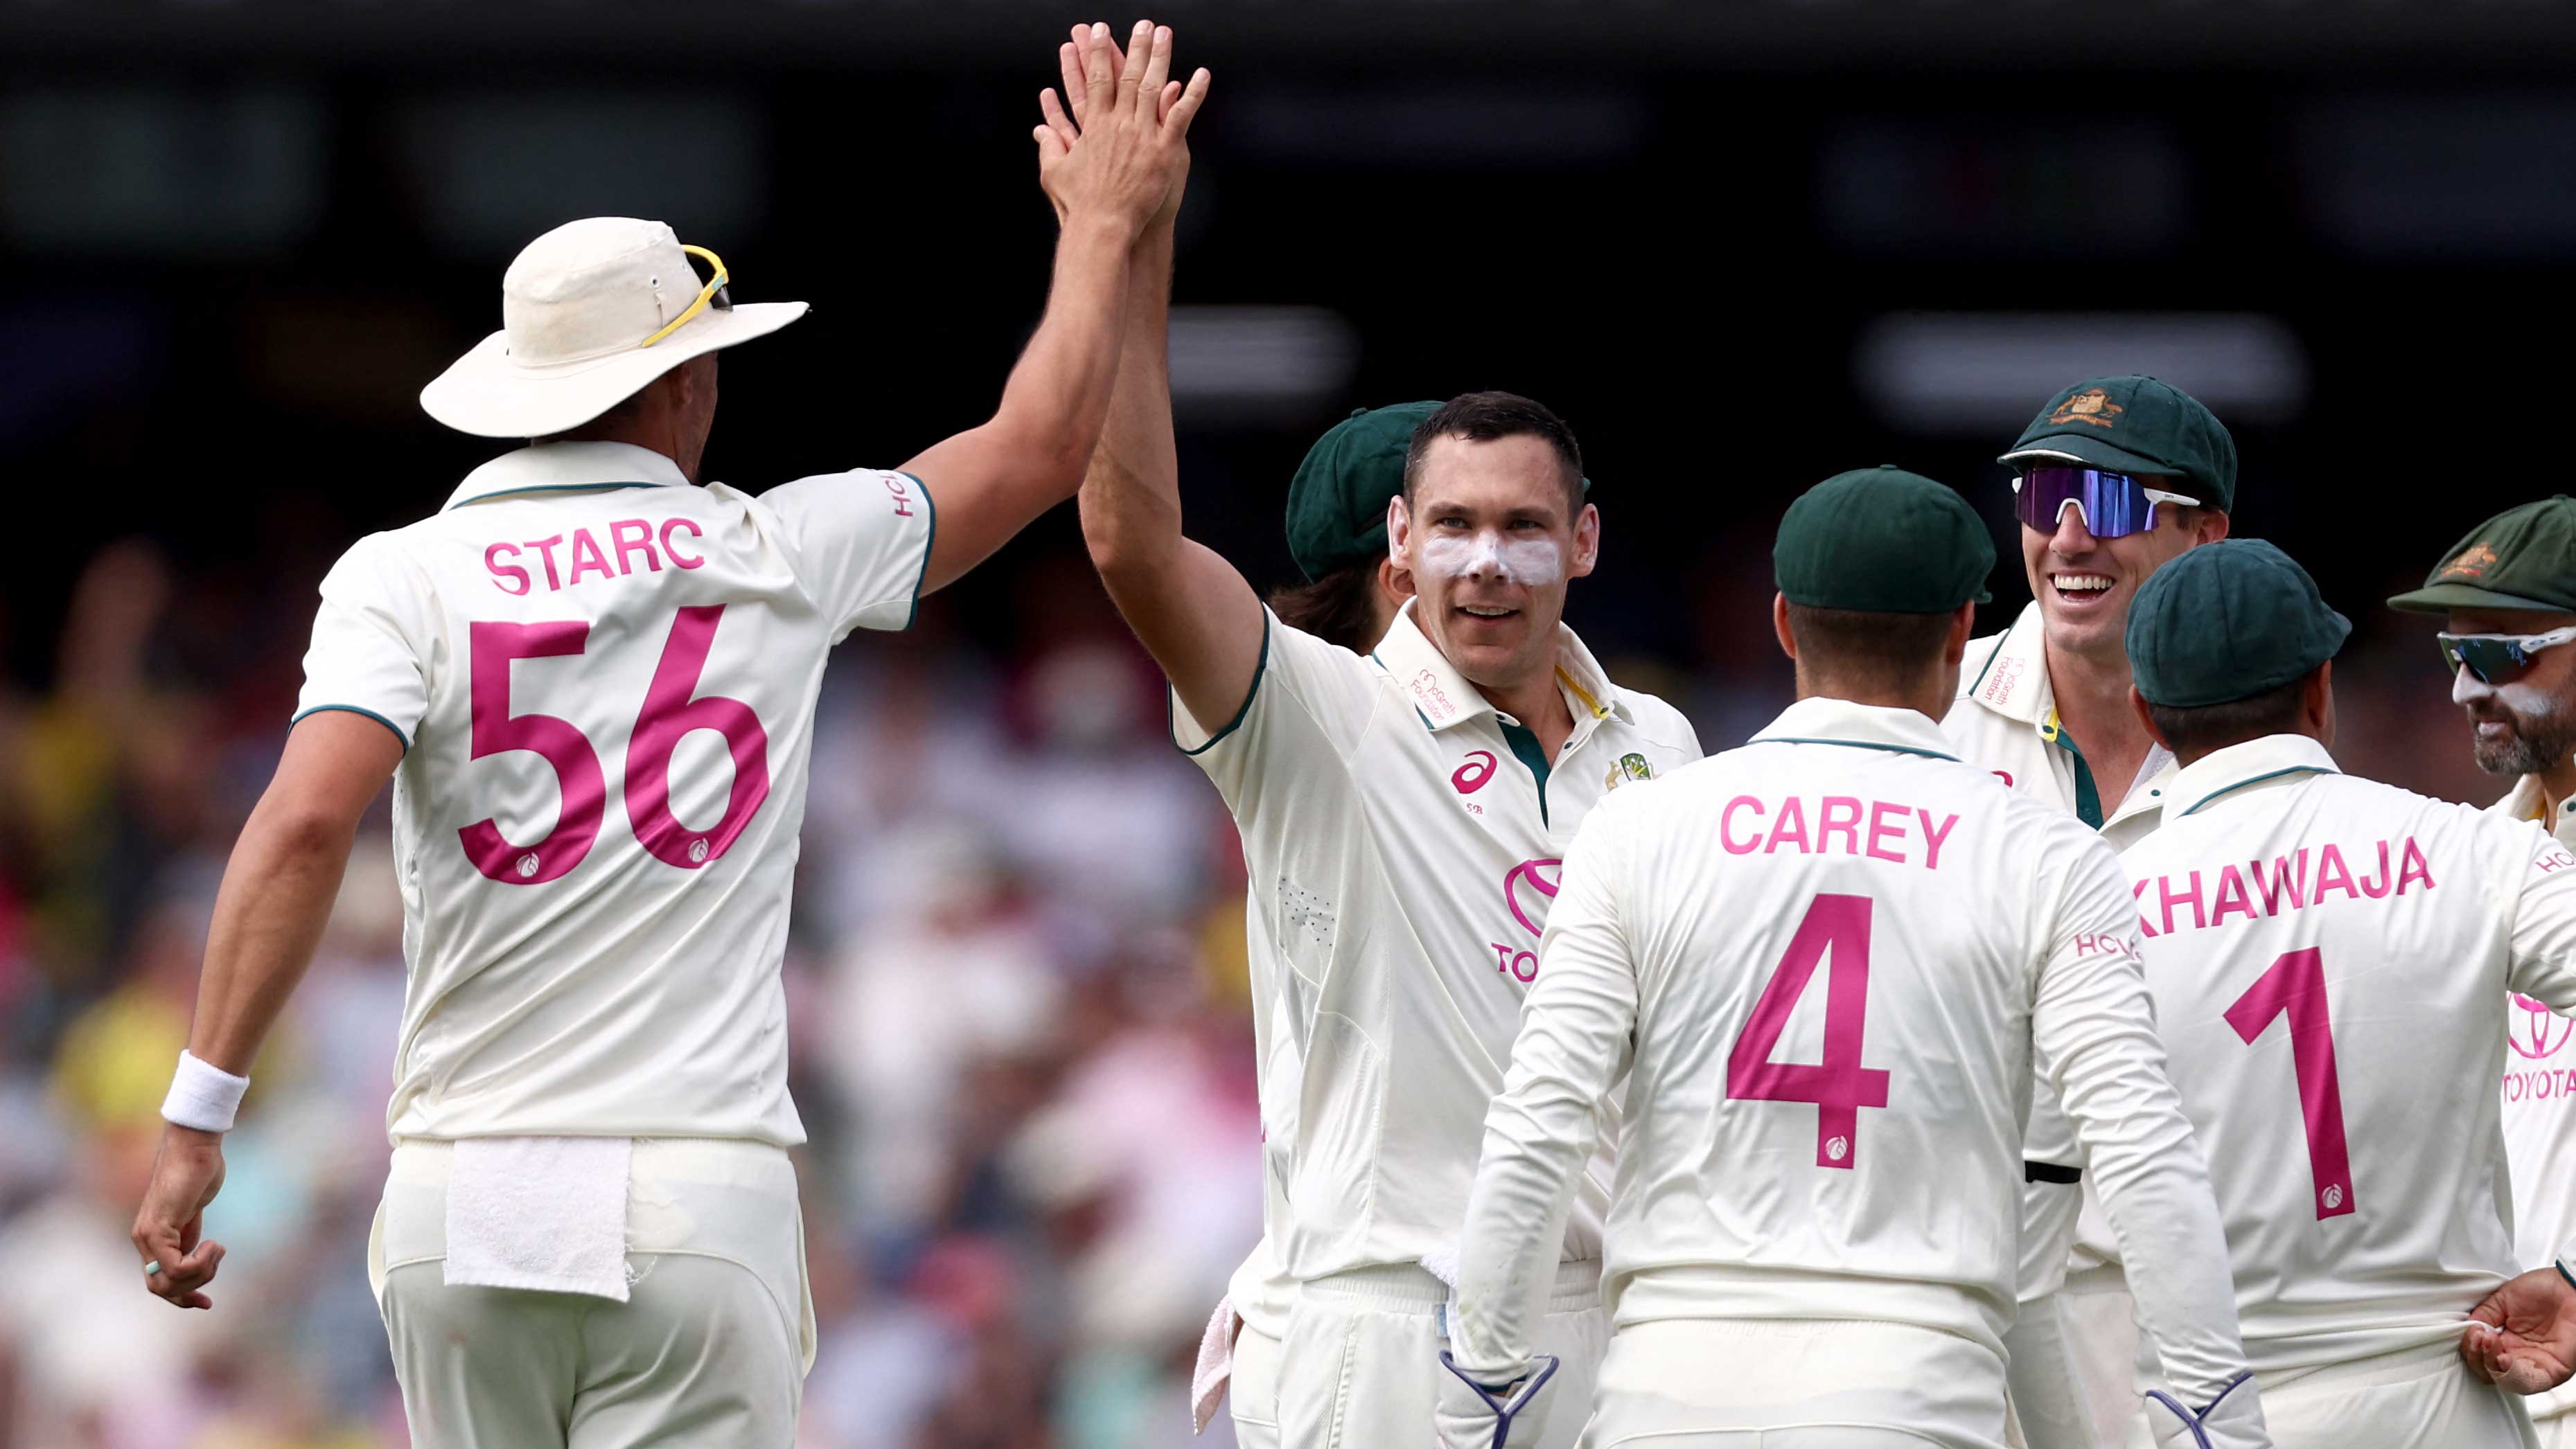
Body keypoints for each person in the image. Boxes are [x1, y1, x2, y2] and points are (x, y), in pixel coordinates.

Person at [127, 25, 1208, 1446]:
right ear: (682, 384)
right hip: (696, 1189)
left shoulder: (401, 573)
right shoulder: (777, 549)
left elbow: (305, 823)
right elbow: (1040, 440)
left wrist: (199, 1115)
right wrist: (1102, 223)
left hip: (464, 1187)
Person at [1065, 85, 1702, 1437]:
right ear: (1401, 544)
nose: (1487, 563)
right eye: (1452, 526)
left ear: (1584, 542)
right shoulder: (1329, 717)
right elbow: (1129, 544)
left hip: (1614, 1327)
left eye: (1522, 527)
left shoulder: (1657, 742)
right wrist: (1123, 238)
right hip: (1392, 1329)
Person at [1443, 466, 2263, 1449]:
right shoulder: (2048, 856)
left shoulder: (1636, 828)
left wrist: (1476, 1396)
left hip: (1662, 1398)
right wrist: (2215, 1418)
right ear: (1961, 632)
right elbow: (2140, 1152)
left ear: (1785, 624)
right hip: (1914, 1398)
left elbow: (1538, 1127)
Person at [2119, 538, 2576, 1445]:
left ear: (2147, 716)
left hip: (2220, 1416)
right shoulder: (2476, 853)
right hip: (2446, 1405)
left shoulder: (2095, 911)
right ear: (2322, 690)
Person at [1943, 376, 2237, 1446]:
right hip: (1958, 1296)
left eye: (2110, 501)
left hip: (2197, 1295)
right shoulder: (1929, 715)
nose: (2067, 536)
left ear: (2203, 535)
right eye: (2041, 495)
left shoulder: (2263, 747)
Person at [2389, 498, 2576, 1448]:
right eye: (2454, 654)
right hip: (2495, 1389)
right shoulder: (2463, 863)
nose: (2465, 688)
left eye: (2500, 654)